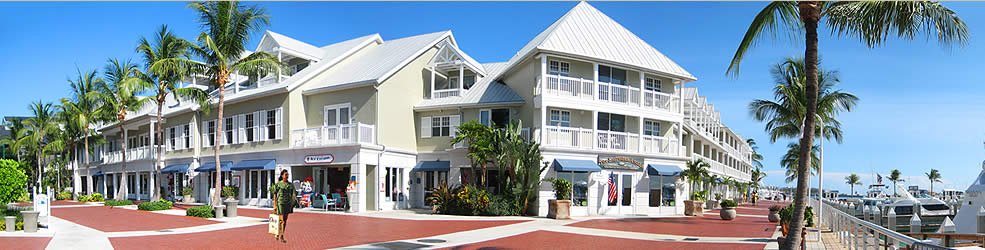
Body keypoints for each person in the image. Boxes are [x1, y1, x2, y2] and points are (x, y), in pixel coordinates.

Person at [272, 169, 296, 243]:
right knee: (281, 220)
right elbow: (275, 194)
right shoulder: (279, 184)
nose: (287, 176)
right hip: (280, 203)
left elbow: (293, 194)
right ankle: (280, 235)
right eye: (285, 174)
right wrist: (275, 205)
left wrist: (293, 202)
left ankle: (280, 234)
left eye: (287, 174)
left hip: (287, 204)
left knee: (285, 221)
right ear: (282, 176)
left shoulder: (290, 184)